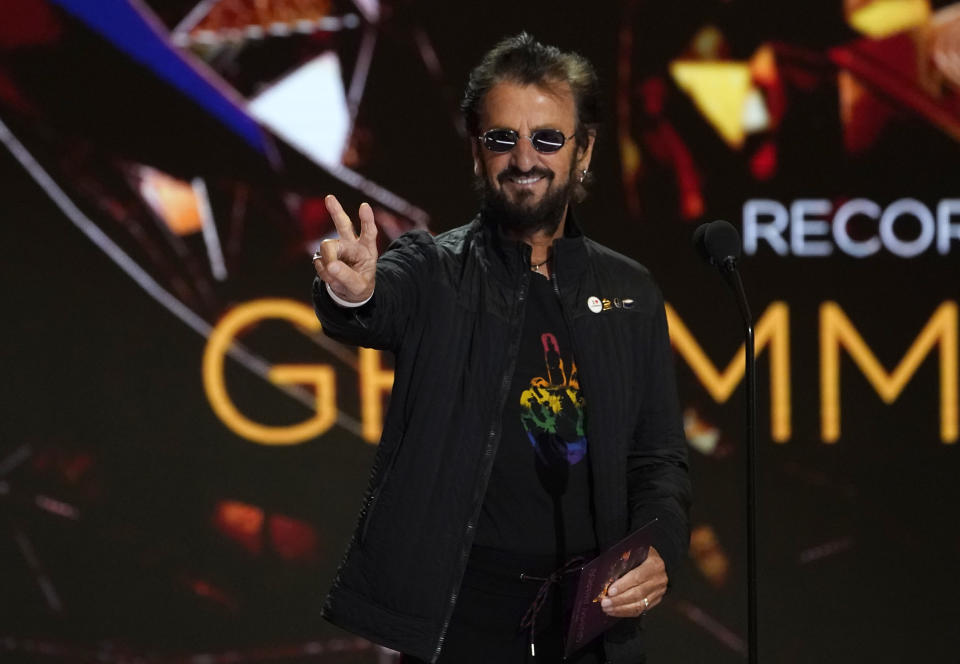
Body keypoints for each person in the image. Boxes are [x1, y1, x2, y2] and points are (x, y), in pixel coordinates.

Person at [312, 33, 690, 664]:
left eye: (547, 138)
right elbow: (374, 308)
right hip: (462, 624)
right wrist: (354, 293)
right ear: (476, 150)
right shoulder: (433, 268)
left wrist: (660, 551)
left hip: (591, 625)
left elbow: (658, 456)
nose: (525, 159)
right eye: (502, 138)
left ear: (584, 150)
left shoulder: (630, 290)